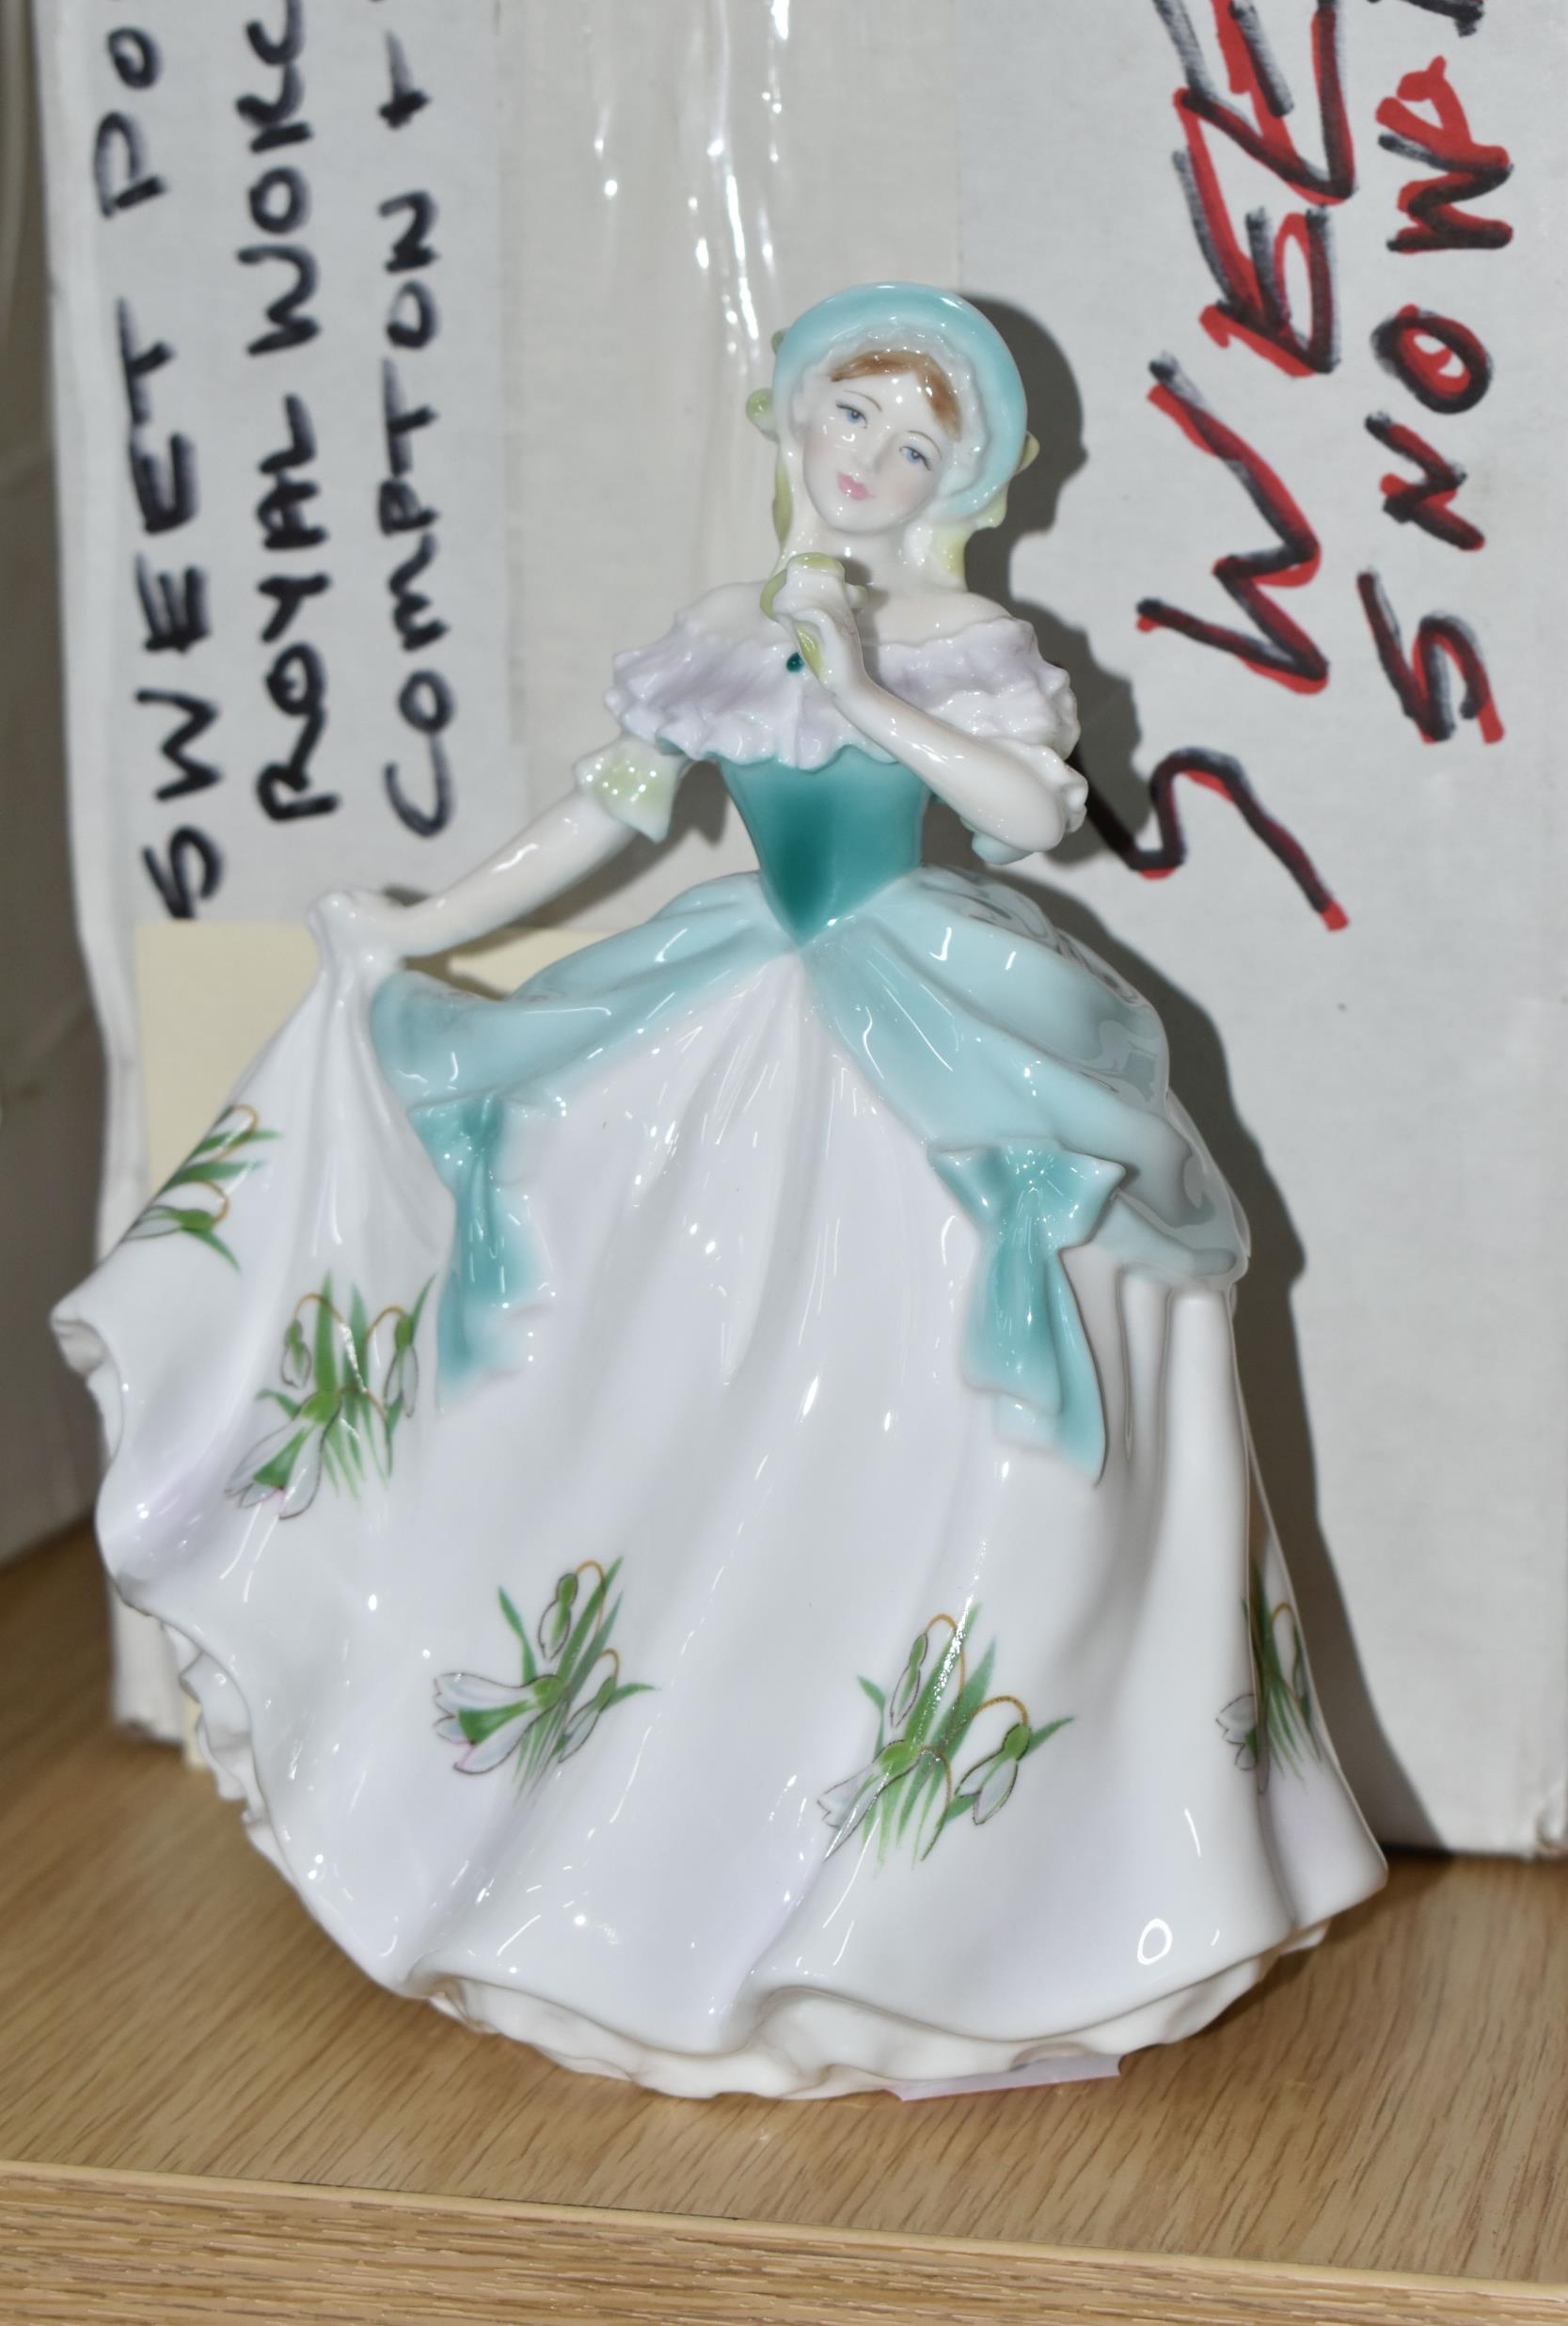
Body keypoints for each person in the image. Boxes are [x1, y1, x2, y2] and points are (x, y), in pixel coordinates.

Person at [57, 285, 1384, 2098]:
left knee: (941, 1364)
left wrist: (866, 689)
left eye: (916, 443)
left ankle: (979, 1886)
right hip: (735, 994)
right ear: (793, 425)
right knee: (628, 1326)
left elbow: (1033, 813)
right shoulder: (718, 633)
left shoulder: (960, 635)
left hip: (918, 992)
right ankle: (626, 1823)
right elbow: (609, 811)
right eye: (850, 418)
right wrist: (424, 931)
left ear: (960, 480)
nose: (872, 461)